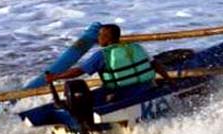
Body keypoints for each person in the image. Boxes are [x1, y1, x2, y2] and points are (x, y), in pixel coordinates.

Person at [45, 24, 174, 101]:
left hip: (121, 92)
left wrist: (55, 77)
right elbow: (155, 64)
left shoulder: (102, 55)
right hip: (147, 86)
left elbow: (79, 71)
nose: (97, 38)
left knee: (86, 98)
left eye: (100, 35)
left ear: (107, 38)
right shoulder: (136, 47)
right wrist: (168, 80)